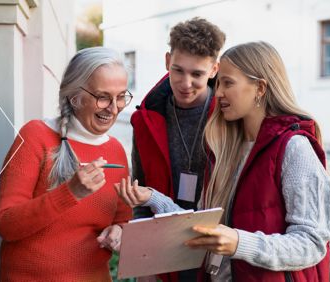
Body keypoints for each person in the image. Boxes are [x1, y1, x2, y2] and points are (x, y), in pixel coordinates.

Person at [116, 41, 330, 282]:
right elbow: (204, 226)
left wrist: (239, 243)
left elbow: (313, 244)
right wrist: (152, 198)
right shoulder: (224, 148)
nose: (218, 92)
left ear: (260, 88)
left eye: (228, 83)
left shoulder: (294, 148)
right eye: (218, 82)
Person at [0, 47, 133, 281]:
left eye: (121, 96)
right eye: (103, 97)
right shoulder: (35, 136)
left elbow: (123, 218)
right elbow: (6, 224)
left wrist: (118, 232)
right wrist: (70, 193)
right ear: (74, 96)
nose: (114, 107)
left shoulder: (116, 150)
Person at [130, 17, 226, 281]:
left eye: (197, 74)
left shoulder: (230, 118)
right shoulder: (145, 120)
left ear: (214, 69)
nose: (186, 83)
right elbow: (140, 191)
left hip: (217, 250)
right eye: (178, 70)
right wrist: (144, 266)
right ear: (166, 61)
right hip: (164, 252)